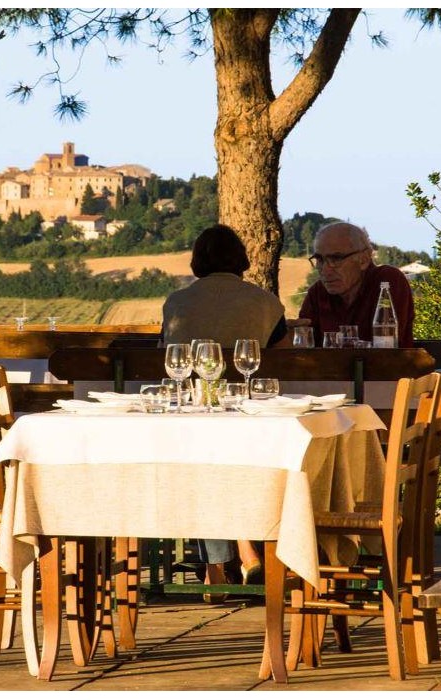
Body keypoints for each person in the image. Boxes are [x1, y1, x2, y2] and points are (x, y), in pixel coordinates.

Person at [160, 223, 286, 597]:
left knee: (204, 464)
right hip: (253, 418)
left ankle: (217, 566)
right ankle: (245, 556)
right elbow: (282, 356)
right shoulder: (266, 302)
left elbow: (165, 352)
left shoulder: (176, 303)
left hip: (194, 415)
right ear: (241, 260)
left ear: (197, 260)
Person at [294, 222, 414, 347]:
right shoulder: (318, 292)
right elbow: (304, 349)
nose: (325, 270)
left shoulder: (387, 282)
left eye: (336, 259)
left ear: (364, 259)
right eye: (320, 259)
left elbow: (386, 347)